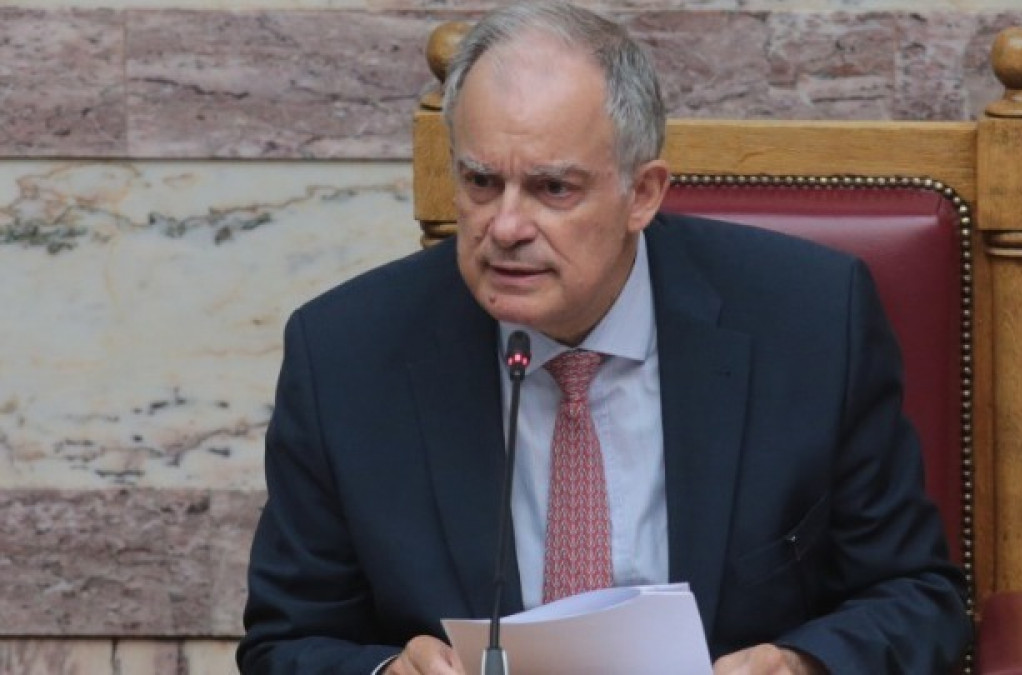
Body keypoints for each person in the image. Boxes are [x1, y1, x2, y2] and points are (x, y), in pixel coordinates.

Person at [237, 2, 971, 673]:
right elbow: (286, 640)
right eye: (482, 182)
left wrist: (802, 665)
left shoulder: (809, 322)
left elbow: (916, 597)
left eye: (553, 188)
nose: (506, 226)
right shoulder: (345, 356)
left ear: (641, 194)